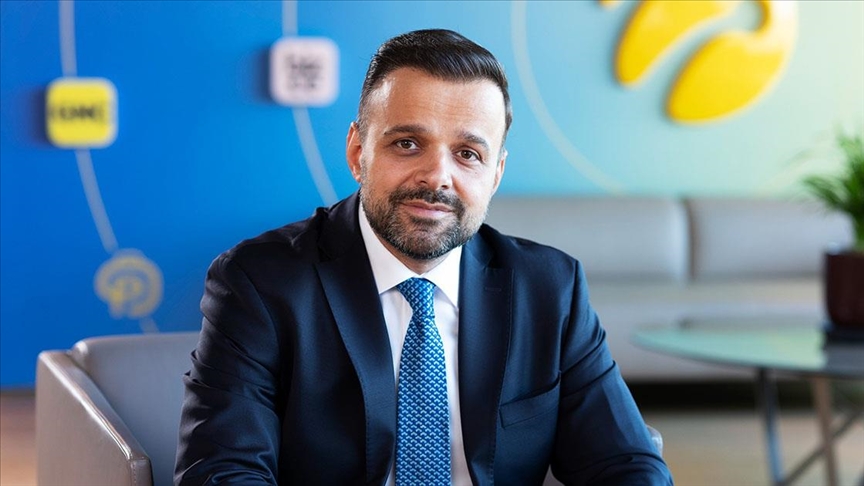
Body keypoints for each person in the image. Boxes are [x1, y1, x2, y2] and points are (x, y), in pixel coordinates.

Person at [175, 29, 673, 485]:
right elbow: (223, 471)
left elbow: (625, 463)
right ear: (358, 152)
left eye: (468, 154)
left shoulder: (550, 286)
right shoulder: (259, 282)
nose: (437, 176)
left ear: (495, 174)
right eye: (408, 143)